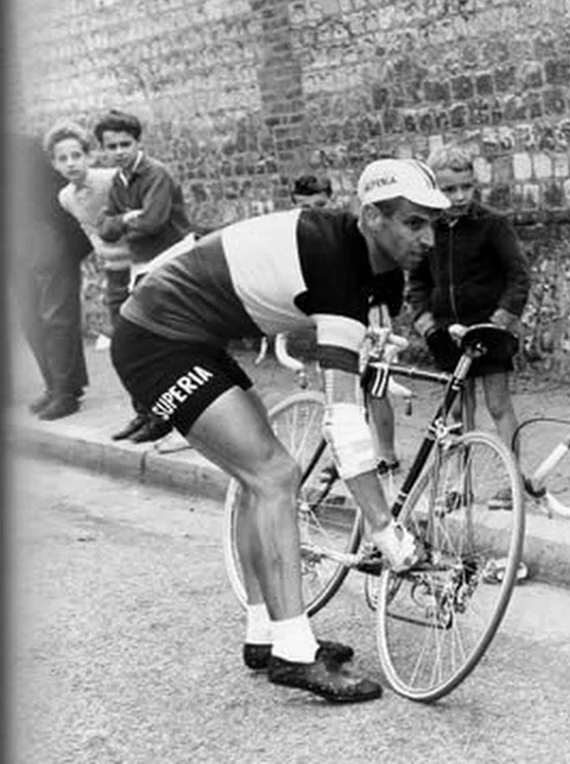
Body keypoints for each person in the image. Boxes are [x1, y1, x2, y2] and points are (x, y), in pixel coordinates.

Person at [108, 158, 448, 702]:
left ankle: (264, 634)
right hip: (157, 341)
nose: (428, 238)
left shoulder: (371, 261)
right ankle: (295, 653)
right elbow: (344, 422)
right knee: (274, 474)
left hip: (188, 338)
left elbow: (195, 243)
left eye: (433, 223)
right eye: (414, 223)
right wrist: (387, 534)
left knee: (256, 478)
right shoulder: (335, 262)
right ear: (370, 217)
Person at [408, 146, 532, 506]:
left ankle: (514, 482)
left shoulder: (492, 223)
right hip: (446, 333)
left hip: (488, 330)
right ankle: (460, 484)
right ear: (435, 189)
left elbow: (518, 276)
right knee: (459, 410)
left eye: (467, 187)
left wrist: (499, 322)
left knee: (498, 405)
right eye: (449, 190)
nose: (460, 196)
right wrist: (426, 323)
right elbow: (416, 280)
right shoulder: (427, 226)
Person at [95, 109, 192, 444]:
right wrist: (126, 218)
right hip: (141, 265)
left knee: (163, 344)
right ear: (103, 150)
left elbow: (153, 222)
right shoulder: (117, 182)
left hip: (172, 262)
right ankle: (146, 412)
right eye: (112, 146)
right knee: (130, 344)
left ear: (138, 142)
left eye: (126, 143)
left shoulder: (156, 174)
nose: (119, 150)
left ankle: (169, 416)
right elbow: (105, 230)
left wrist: (121, 220)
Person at [15, 134, 93, 420]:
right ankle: (55, 385)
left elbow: (62, 191)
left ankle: (65, 392)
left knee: (57, 316)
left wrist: (66, 244)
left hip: (46, 239)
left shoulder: (26, 147)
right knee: (29, 317)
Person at [48, 121, 127, 344]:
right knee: (123, 330)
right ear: (54, 164)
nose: (71, 163)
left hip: (140, 263)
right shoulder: (65, 197)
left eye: (76, 155)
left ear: (89, 156)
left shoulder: (112, 179)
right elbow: (87, 226)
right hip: (114, 270)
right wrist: (99, 247)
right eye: (63, 159)